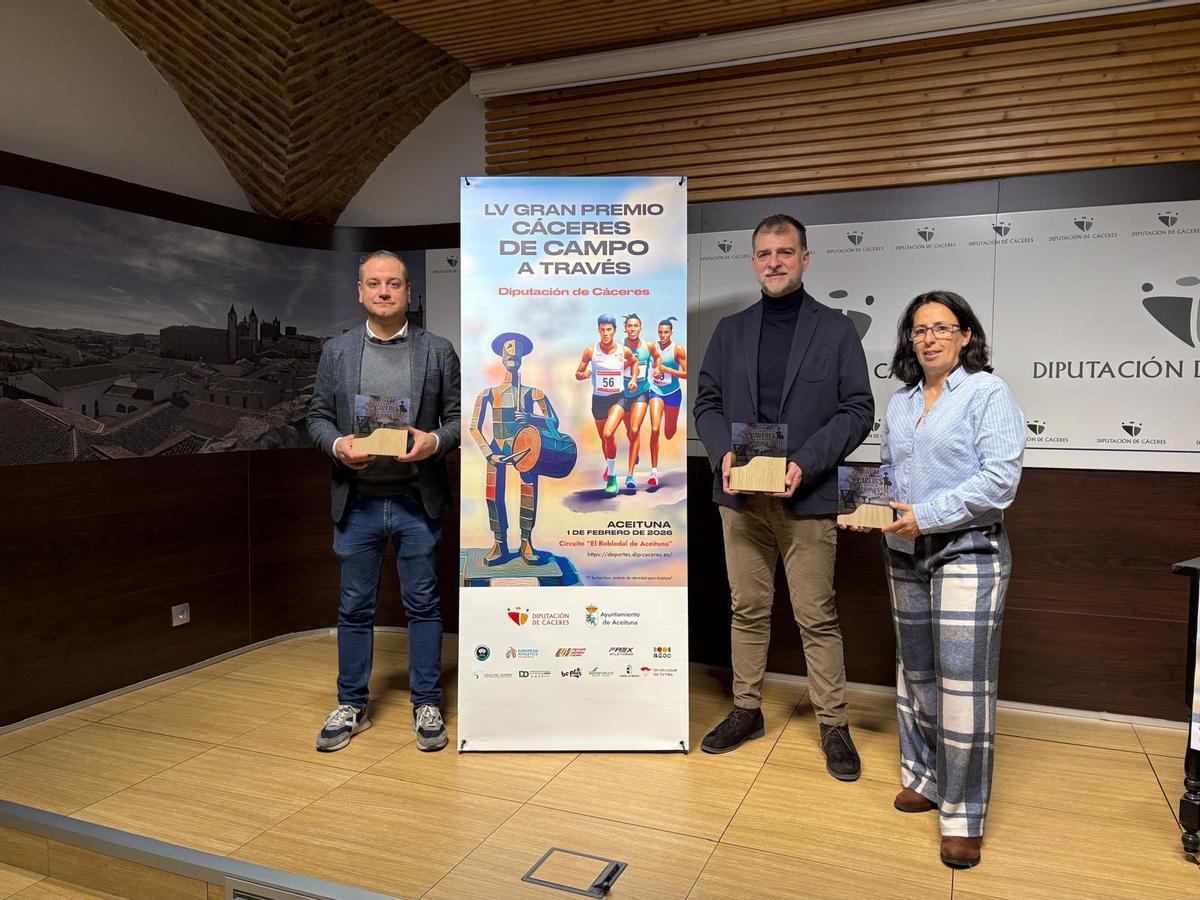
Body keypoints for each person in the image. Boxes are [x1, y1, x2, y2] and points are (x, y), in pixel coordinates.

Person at [694, 213, 873, 779]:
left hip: (808, 496)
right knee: (747, 609)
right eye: (765, 253)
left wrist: (805, 464)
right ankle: (746, 709)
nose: (775, 261)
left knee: (815, 615)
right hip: (741, 499)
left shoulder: (836, 329)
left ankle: (833, 723)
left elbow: (858, 410)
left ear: (805, 258)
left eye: (786, 252)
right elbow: (707, 403)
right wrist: (723, 452)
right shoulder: (731, 331)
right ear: (753, 260)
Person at [877, 290, 1024, 869]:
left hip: (968, 549)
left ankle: (963, 815)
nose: (929, 338)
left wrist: (926, 516)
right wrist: (873, 506)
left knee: (963, 686)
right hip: (902, 548)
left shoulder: (988, 392)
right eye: (919, 330)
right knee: (916, 673)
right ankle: (925, 777)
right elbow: (889, 470)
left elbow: (999, 482)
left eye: (942, 327)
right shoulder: (901, 401)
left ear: (966, 335)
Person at [307, 250, 461, 753]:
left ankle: (426, 703)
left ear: (408, 292)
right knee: (354, 607)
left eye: (393, 283)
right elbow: (316, 417)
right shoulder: (337, 351)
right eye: (373, 283)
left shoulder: (437, 350)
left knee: (424, 605)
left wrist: (434, 442)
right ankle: (351, 704)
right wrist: (337, 445)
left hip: (417, 501)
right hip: (358, 503)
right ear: (360, 291)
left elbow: (460, 418)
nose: (383, 292)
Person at [468, 332, 566, 565]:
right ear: (501, 354)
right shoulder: (488, 394)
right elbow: (474, 427)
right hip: (497, 450)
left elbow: (554, 422)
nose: (513, 351)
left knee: (529, 496)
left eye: (517, 348)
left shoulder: (533, 393)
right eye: (509, 347)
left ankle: (526, 541)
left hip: (526, 449)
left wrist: (531, 417)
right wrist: (489, 453)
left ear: (522, 355)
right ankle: (499, 543)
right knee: (492, 496)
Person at [575, 314, 639, 497]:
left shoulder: (622, 350)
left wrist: (633, 380)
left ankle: (612, 476)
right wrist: (583, 374)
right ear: (598, 330)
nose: (605, 333)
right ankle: (609, 465)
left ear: (614, 331)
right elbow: (577, 373)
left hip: (618, 398)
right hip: (599, 400)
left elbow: (634, 363)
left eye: (609, 329)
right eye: (602, 329)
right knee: (605, 440)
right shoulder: (590, 351)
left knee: (608, 433)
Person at [619, 313, 660, 492]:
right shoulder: (619, 347)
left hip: (642, 393)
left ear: (640, 328)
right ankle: (634, 453)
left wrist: (657, 367)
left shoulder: (648, 346)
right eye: (629, 326)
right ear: (625, 329)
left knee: (635, 429)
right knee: (629, 431)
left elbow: (657, 357)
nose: (632, 329)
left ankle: (630, 476)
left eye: (636, 326)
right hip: (623, 394)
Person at [647, 316, 687, 489]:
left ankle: (670, 426)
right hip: (655, 392)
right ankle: (654, 471)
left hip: (673, 394)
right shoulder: (651, 348)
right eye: (660, 332)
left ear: (671, 333)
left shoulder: (677, 349)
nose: (663, 335)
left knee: (669, 432)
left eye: (666, 332)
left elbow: (687, 373)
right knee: (655, 428)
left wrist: (666, 370)